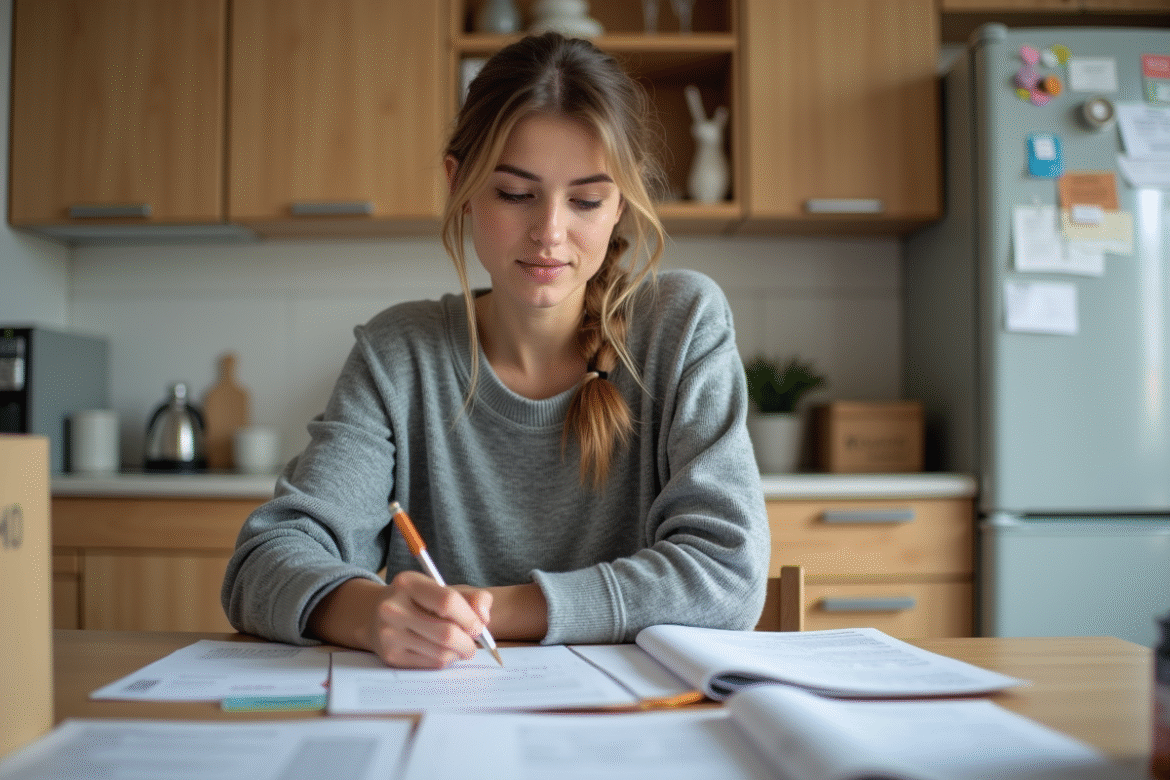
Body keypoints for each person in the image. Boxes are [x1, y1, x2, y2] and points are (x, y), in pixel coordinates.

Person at [221, 32, 769, 669]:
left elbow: (727, 575)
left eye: (587, 200)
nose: (550, 233)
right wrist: (374, 616)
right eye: (515, 194)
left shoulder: (682, 325)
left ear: (620, 204)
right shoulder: (399, 354)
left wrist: (488, 609)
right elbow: (264, 561)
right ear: (461, 184)